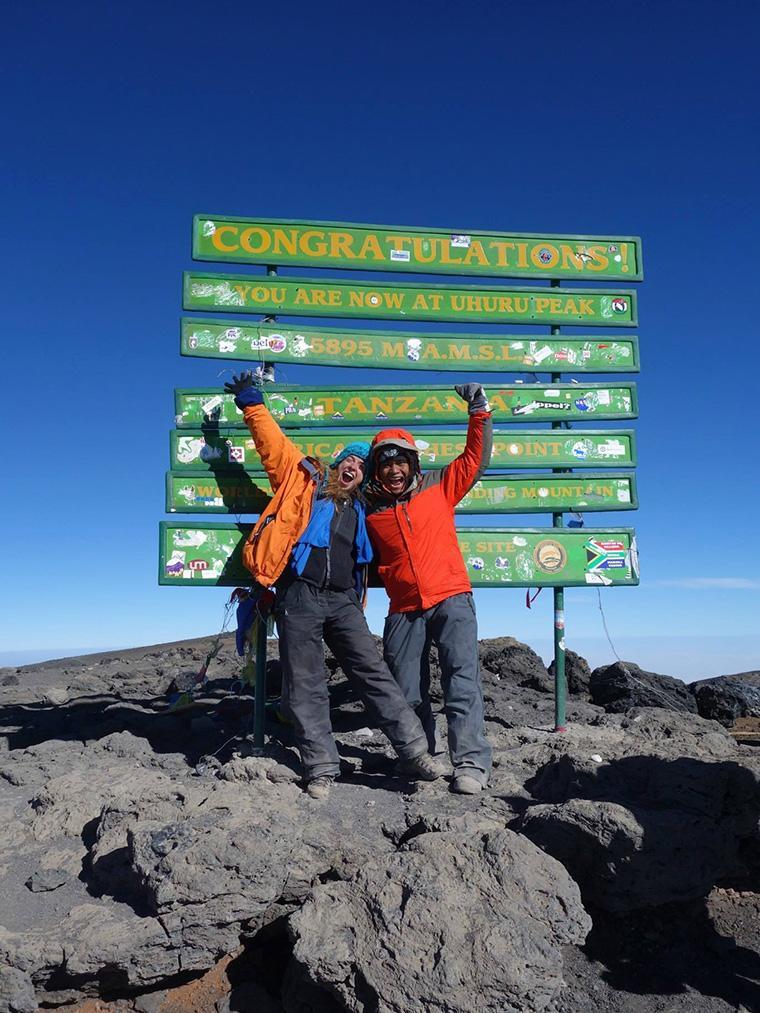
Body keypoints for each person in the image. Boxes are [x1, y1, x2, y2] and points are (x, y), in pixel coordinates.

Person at [224, 371, 445, 799]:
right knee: (304, 682)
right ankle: (321, 767)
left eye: (362, 467)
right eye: (350, 460)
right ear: (338, 461)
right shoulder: (302, 480)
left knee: (373, 673)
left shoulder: (363, 510)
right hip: (299, 595)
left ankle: (414, 752)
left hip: (345, 602)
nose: (354, 468)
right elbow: (272, 445)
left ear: (364, 478)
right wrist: (251, 403)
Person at [363, 383, 493, 795]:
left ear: (413, 462)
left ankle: (470, 764)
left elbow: (476, 458)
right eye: (385, 464)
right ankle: (420, 756)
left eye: (401, 461)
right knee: (405, 691)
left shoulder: (441, 484)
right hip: (403, 607)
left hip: (452, 596)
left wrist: (479, 410)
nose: (394, 469)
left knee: (462, 683)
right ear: (375, 469)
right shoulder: (369, 509)